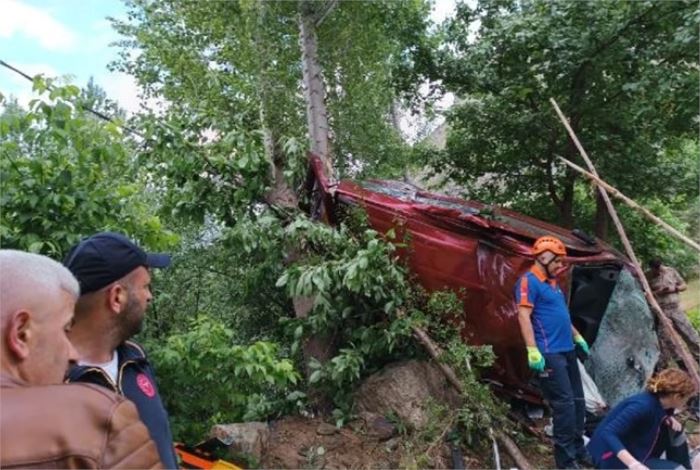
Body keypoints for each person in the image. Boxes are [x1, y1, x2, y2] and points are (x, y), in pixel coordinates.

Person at [0, 249, 162, 469]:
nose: (72, 354)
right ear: (21, 333)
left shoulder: (137, 360)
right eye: (66, 329)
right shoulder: (100, 420)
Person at [63, 232, 178, 469]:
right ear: (117, 297)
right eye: (145, 286)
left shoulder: (136, 360)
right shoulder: (50, 383)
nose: (150, 296)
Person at [515, 235, 591, 469]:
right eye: (557, 262)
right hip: (549, 354)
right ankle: (565, 461)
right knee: (564, 406)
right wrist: (532, 349)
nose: (560, 267)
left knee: (578, 402)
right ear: (544, 257)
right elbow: (523, 315)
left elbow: (561, 315)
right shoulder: (528, 282)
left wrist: (576, 335)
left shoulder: (553, 284)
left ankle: (578, 451)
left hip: (567, 350)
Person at [587, 368, 696, 469]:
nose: (687, 403)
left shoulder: (661, 404)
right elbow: (608, 433)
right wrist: (633, 463)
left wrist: (667, 417)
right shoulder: (642, 406)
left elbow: (657, 414)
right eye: (687, 399)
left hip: (636, 447)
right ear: (676, 397)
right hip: (610, 456)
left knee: (675, 431)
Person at [646, 259, 699, 353]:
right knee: (669, 341)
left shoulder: (671, 271)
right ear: (652, 269)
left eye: (660, 269)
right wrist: (658, 292)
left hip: (676, 309)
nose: (659, 272)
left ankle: (698, 356)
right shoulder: (646, 276)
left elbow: (684, 286)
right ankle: (683, 364)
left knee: (690, 334)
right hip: (661, 312)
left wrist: (674, 288)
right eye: (656, 270)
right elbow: (645, 295)